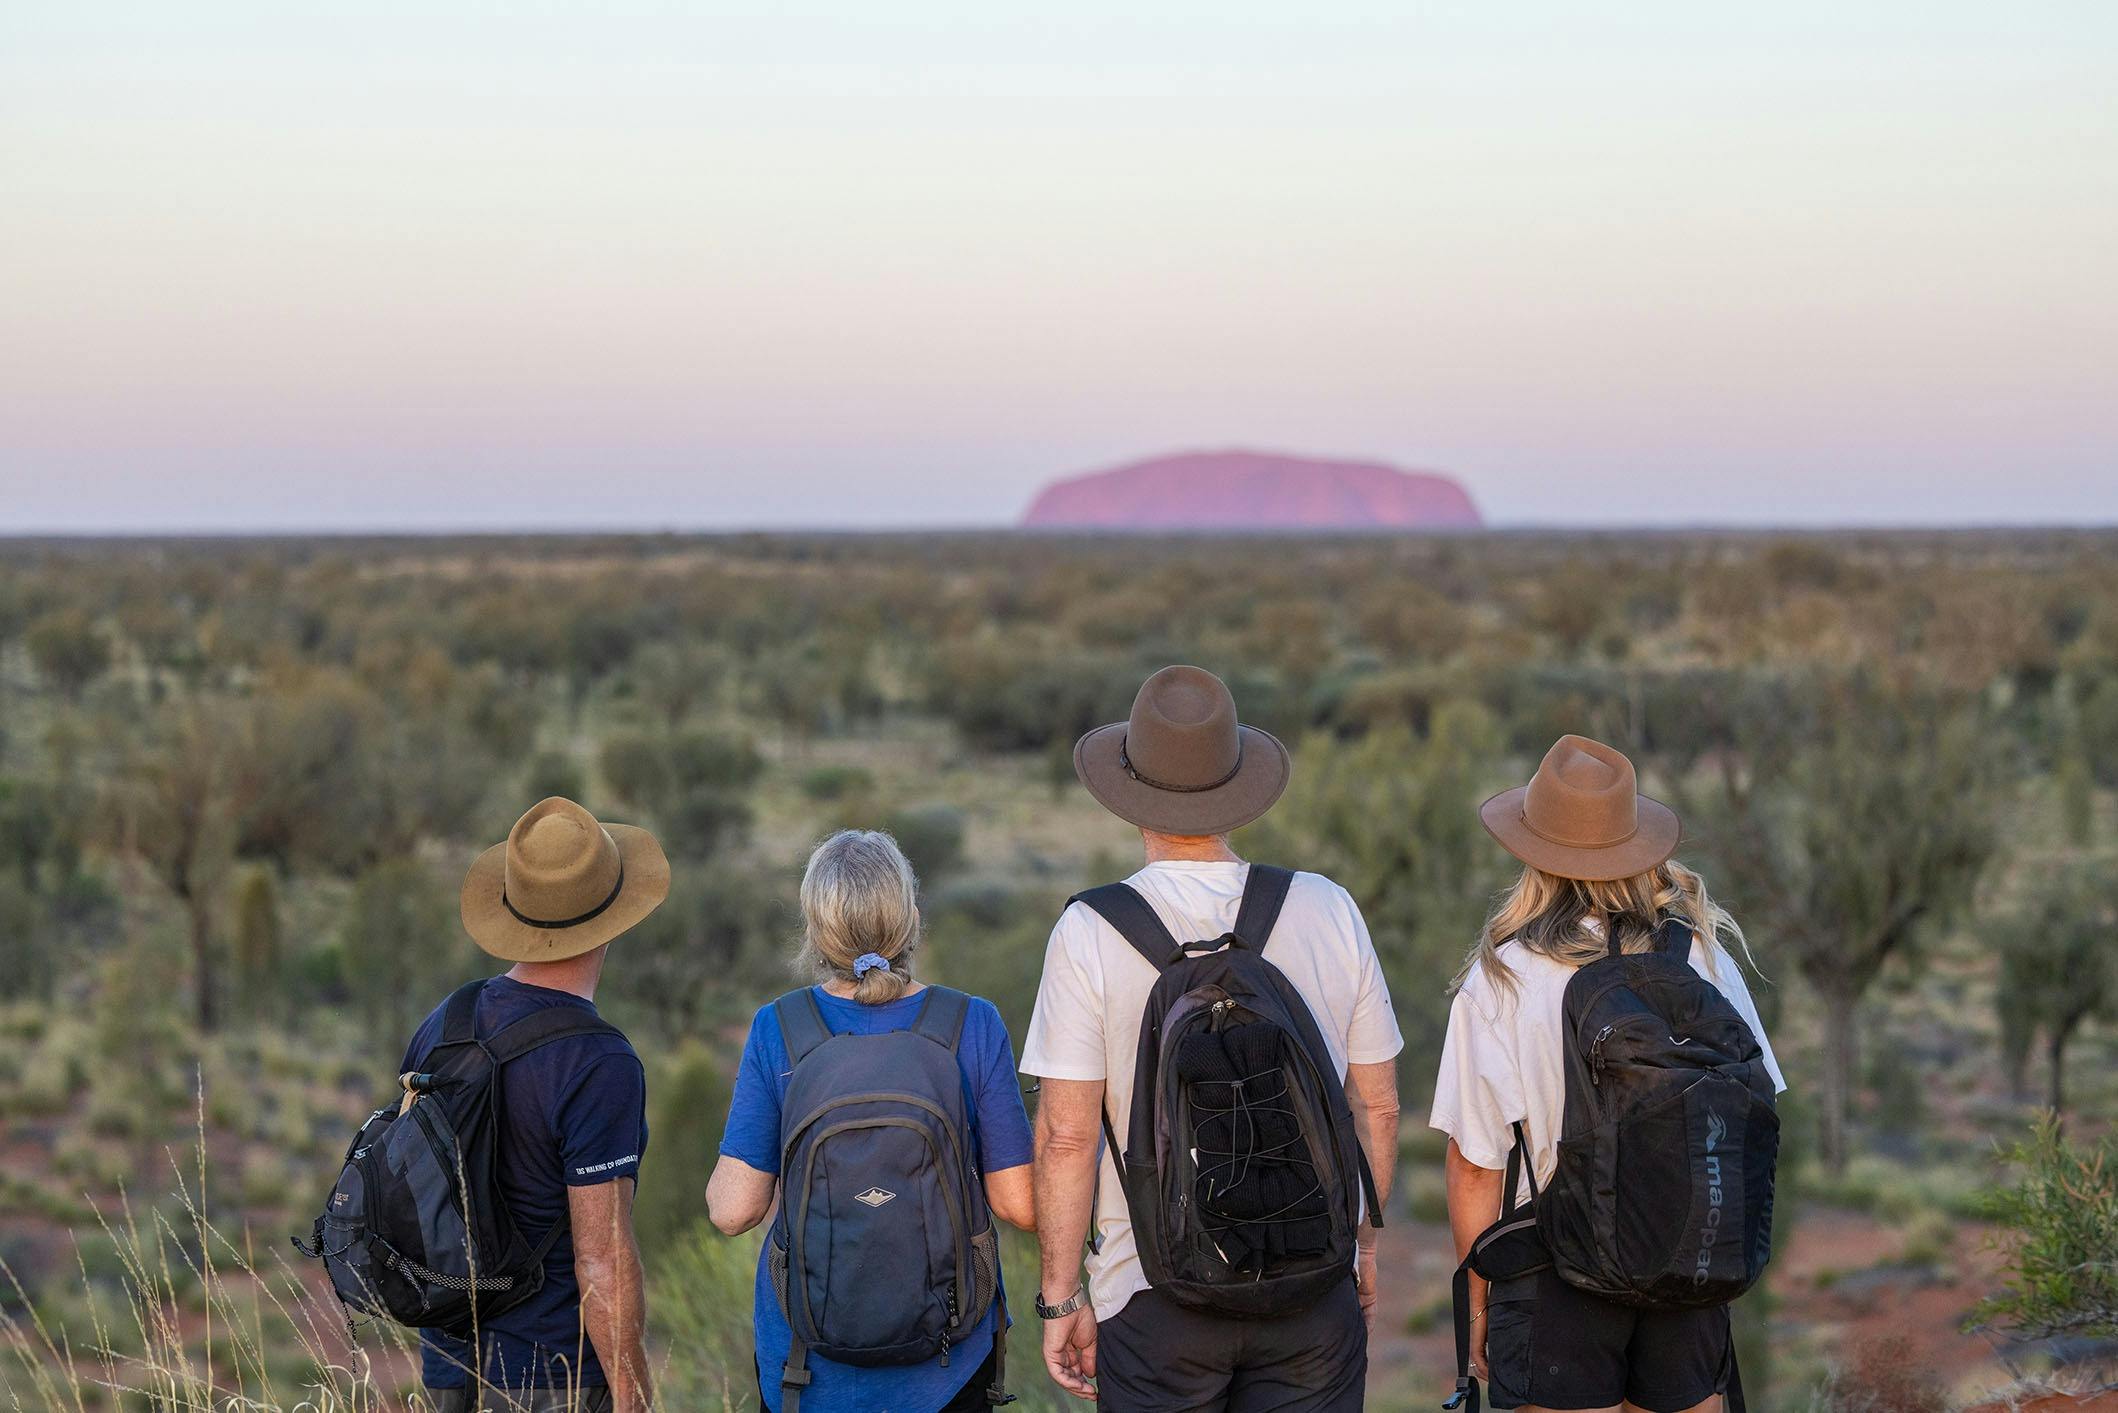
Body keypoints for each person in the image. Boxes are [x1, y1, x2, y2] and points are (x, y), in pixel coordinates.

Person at [1023, 664, 1403, 1411]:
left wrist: (1061, 1296)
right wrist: (1360, 1242)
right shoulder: (1328, 907)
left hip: (1154, 1294)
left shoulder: (1089, 931)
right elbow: (1380, 1108)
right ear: (1238, 791)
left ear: (1130, 796)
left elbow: (1066, 1139)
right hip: (1310, 1292)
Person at [1433, 734, 1787, 1413]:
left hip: (1553, 1270)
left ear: (1533, 854)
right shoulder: (1705, 959)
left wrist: (1478, 1302)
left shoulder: (1500, 978)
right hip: (1688, 1261)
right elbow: (1760, 1109)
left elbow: (1476, 1164)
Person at [707, 829, 1037, 1413]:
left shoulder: (778, 1028)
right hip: (949, 1369)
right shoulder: (972, 1023)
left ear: (815, 931)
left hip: (804, 1372)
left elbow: (733, 1211)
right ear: (911, 918)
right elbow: (1019, 1204)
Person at [406, 796, 666, 1413]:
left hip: (450, 1362)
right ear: (614, 917)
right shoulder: (602, 1063)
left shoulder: (447, 1020)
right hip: (555, 1377)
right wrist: (634, 1400)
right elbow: (602, 1261)